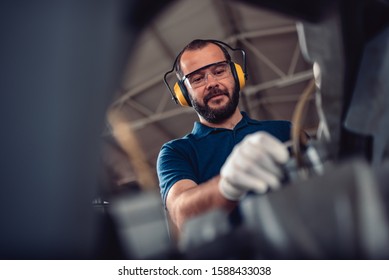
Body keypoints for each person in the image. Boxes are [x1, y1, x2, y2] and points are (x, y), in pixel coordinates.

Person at [157, 39, 292, 235]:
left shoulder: (284, 131)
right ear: (184, 93)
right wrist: (228, 185)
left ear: (236, 75)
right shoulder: (176, 152)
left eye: (219, 71)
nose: (211, 83)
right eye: (197, 79)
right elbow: (180, 213)